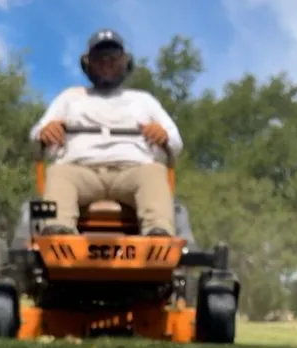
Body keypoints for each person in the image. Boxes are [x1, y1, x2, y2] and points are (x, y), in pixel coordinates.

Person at [30, 29, 184, 236]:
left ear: (124, 62)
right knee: (58, 173)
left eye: (113, 58)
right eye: (99, 58)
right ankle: (59, 232)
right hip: (81, 172)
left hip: (131, 172)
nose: (106, 63)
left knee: (154, 172)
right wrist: (45, 133)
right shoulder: (69, 98)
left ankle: (158, 235)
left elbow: (175, 141)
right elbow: (37, 134)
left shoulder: (144, 101)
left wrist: (163, 136)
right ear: (88, 64)